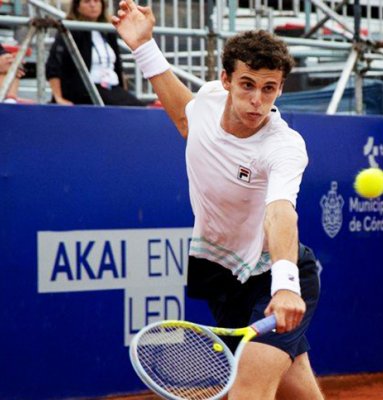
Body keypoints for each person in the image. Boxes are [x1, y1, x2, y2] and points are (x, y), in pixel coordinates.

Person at [112, 1, 324, 399]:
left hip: (274, 277)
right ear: (226, 80)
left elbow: (279, 212)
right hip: (221, 274)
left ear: (280, 89)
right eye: (247, 84)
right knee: (296, 387)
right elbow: (183, 119)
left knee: (248, 390)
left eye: (269, 88)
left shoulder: (285, 145)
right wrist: (142, 45)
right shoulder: (207, 101)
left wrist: (284, 285)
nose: (257, 101)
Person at [46, 0, 143, 106]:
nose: (93, 5)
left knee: (142, 107)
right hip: (86, 91)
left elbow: (118, 68)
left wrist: (124, 92)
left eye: (96, 1)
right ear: (77, 7)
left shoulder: (107, 32)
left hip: (112, 88)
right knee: (136, 109)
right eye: (87, 2)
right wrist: (58, 98)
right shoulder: (70, 30)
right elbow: (53, 66)